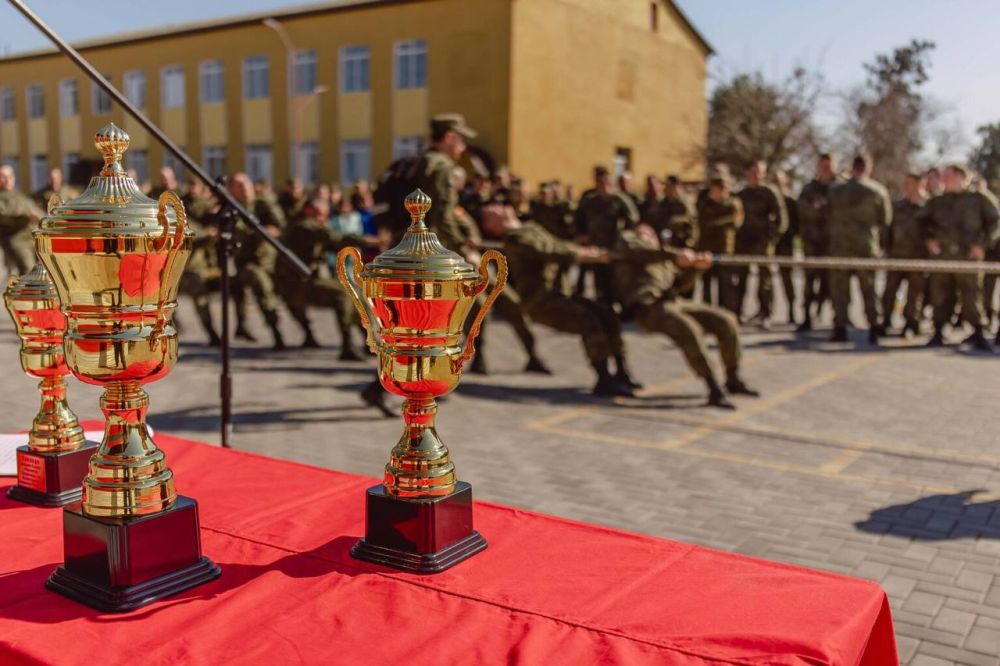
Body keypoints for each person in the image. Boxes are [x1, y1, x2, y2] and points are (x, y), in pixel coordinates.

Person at [480, 207, 638, 397]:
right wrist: (586, 254)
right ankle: (604, 379)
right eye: (491, 213)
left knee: (606, 313)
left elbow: (556, 243)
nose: (499, 208)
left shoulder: (530, 228)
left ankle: (622, 372)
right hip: (541, 302)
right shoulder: (515, 239)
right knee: (589, 321)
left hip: (559, 294)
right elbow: (548, 250)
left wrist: (581, 248)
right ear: (492, 225)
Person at [613, 223, 759, 409]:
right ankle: (713, 387)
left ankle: (733, 377)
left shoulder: (663, 260)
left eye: (651, 234)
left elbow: (681, 286)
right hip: (647, 307)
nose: (648, 236)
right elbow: (640, 251)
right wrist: (676, 255)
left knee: (725, 320)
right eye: (643, 234)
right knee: (689, 329)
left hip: (672, 302)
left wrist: (696, 267)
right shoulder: (633, 248)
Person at [275, 196, 368, 357]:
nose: (321, 217)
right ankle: (347, 345)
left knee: (358, 294)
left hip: (309, 280)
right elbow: (334, 237)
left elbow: (334, 245)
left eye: (324, 214)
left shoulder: (314, 226)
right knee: (344, 294)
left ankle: (368, 341)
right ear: (307, 210)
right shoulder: (303, 226)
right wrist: (369, 241)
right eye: (318, 213)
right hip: (296, 285)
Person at [919, 164, 998, 350]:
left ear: (962, 176)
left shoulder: (978, 199)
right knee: (940, 294)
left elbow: (995, 222)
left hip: (968, 257)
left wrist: (982, 245)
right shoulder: (937, 201)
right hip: (943, 257)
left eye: (948, 176)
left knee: (972, 295)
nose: (943, 180)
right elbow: (920, 221)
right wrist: (929, 240)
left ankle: (978, 332)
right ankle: (938, 330)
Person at [827, 154, 892, 344]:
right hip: (865, 247)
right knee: (869, 289)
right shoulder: (877, 191)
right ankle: (874, 327)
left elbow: (828, 214)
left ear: (853, 167)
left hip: (840, 247)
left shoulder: (836, 190)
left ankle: (840, 328)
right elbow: (885, 220)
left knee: (840, 290)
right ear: (868, 168)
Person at [228, 171, 287, 349]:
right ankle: (273, 331)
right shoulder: (231, 209)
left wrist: (269, 229)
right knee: (257, 285)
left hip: (270, 260)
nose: (245, 188)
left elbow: (280, 225)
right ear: (231, 190)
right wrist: (259, 232)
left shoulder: (263, 204)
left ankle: (289, 331)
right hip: (246, 263)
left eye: (246, 183)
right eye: (238, 185)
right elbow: (239, 233)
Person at [573, 165, 639, 305]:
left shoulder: (618, 200)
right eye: (600, 182)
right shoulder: (590, 201)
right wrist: (581, 235)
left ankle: (623, 308)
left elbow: (632, 218)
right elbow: (578, 219)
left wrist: (626, 237)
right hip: (596, 247)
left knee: (617, 280)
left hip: (614, 247)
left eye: (606, 182)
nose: (603, 186)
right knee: (600, 281)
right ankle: (604, 307)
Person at [735, 161, 787, 328]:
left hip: (762, 243)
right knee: (741, 279)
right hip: (744, 242)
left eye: (759, 172)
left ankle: (766, 313)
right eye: (753, 171)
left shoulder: (769, 192)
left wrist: (771, 239)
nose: (756, 175)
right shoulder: (742, 194)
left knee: (764, 281)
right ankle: (738, 312)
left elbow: (781, 219)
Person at [880, 173, 927, 337]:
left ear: (920, 183)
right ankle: (885, 320)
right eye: (905, 183)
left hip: (918, 257)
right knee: (890, 290)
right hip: (897, 255)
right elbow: (888, 229)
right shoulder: (897, 206)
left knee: (914, 294)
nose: (906, 186)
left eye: (910, 183)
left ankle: (911, 322)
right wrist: (886, 249)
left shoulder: (928, 207)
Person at [796, 154, 840, 331]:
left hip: (833, 243)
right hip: (812, 243)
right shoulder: (809, 189)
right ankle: (806, 316)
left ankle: (839, 318)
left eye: (829, 167)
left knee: (834, 283)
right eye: (823, 166)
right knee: (809, 281)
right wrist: (817, 210)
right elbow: (802, 209)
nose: (825, 170)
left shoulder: (841, 188)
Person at [178, 179, 223, 345]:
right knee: (198, 294)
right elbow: (191, 233)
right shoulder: (183, 215)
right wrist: (207, 234)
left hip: (208, 268)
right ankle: (211, 333)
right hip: (187, 270)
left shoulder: (208, 212)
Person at [696, 175, 743, 309]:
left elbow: (735, 222)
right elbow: (700, 221)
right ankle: (708, 313)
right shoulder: (705, 203)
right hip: (706, 249)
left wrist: (713, 224)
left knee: (726, 287)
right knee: (707, 286)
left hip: (725, 251)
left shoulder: (733, 203)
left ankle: (724, 313)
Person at [0, 164, 41, 275]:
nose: (8, 179)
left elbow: (36, 210)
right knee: (29, 270)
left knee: (44, 269)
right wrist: (26, 215)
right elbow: (5, 216)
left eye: (10, 175)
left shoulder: (20, 195)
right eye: (3, 176)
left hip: (32, 239)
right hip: (16, 241)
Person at [772, 170, 800, 325]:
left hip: (785, 245)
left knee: (787, 280)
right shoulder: (768, 197)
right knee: (765, 281)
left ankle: (792, 310)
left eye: (779, 181)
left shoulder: (791, 201)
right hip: (769, 245)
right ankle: (766, 311)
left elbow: (797, 223)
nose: (777, 184)